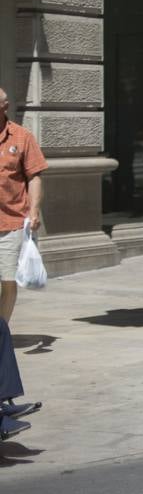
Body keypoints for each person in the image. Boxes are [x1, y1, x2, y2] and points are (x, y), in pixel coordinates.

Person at [0, 88, 46, 324]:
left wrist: (34, 210)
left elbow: (34, 176)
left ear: (4, 108)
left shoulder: (22, 137)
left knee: (7, 280)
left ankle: (1, 332)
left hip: (12, 222)